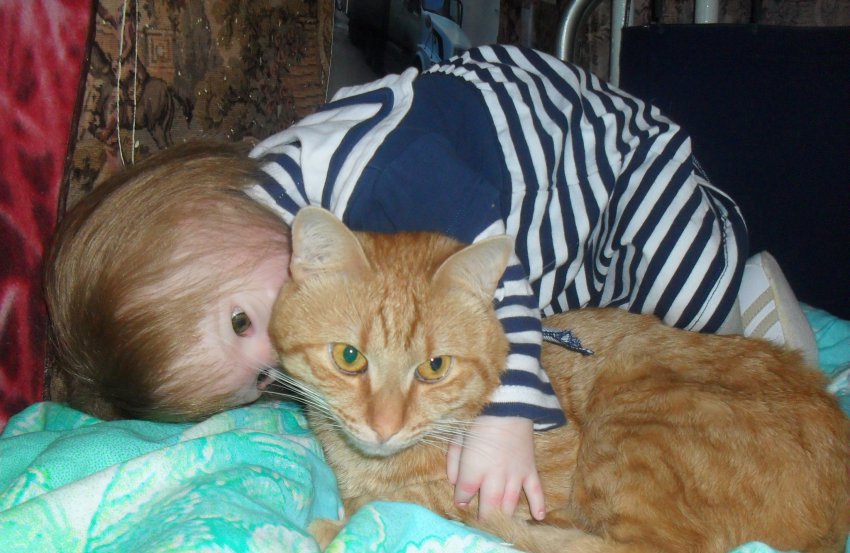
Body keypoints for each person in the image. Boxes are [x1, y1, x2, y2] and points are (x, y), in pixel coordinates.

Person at [46, 45, 747, 521]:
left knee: (696, 305)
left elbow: (498, 281)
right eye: (259, 379)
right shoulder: (269, 242)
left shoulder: (373, 170)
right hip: (551, 247)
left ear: (202, 216)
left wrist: (505, 420)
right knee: (587, 308)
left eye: (240, 323)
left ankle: (749, 286)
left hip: (608, 164)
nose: (276, 349)